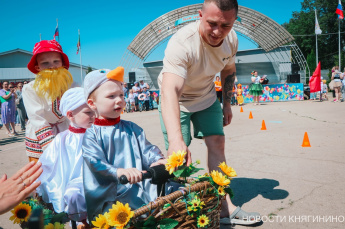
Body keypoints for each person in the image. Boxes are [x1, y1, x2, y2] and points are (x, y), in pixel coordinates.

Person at [158, 0, 259, 225]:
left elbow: (229, 70)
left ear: (234, 22)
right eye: (212, 23)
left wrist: (226, 104)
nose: (217, 32)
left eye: (226, 25)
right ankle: (180, 214)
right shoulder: (182, 43)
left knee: (217, 144)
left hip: (206, 97)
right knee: (179, 157)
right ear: (200, 15)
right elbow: (169, 90)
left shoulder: (231, 40)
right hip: (177, 100)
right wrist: (176, 140)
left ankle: (224, 208)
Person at [82, 67, 167, 222]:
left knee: (166, 193)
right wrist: (118, 171)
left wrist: (158, 159)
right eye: (111, 96)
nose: (119, 100)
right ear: (92, 104)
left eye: (121, 94)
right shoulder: (91, 134)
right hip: (109, 192)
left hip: (137, 185)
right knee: (118, 216)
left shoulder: (132, 128)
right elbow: (95, 162)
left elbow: (147, 149)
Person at [36, 87, 94, 228]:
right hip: (72, 183)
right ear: (70, 115)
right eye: (88, 112)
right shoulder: (62, 139)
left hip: (95, 179)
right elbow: (48, 161)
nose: (94, 116)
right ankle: (80, 220)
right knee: (72, 194)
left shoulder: (97, 134)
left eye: (95, 112)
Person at [23, 40, 73, 162]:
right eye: (45, 63)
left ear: (63, 64)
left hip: (66, 131)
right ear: (37, 67)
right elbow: (37, 118)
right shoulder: (30, 88)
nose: (52, 66)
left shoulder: (72, 85)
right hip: (40, 136)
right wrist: (50, 146)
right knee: (41, 172)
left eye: (56, 61)